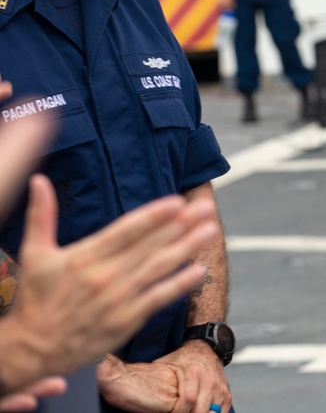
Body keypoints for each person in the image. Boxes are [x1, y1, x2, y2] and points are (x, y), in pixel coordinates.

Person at [0, 0, 234, 413]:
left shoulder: (137, 10)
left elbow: (194, 187)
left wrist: (202, 343)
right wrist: (92, 366)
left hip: (178, 390)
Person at [0, 78, 219, 412]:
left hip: (183, 393)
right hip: (53, 390)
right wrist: (106, 371)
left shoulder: (143, 25)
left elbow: (191, 174)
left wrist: (204, 344)